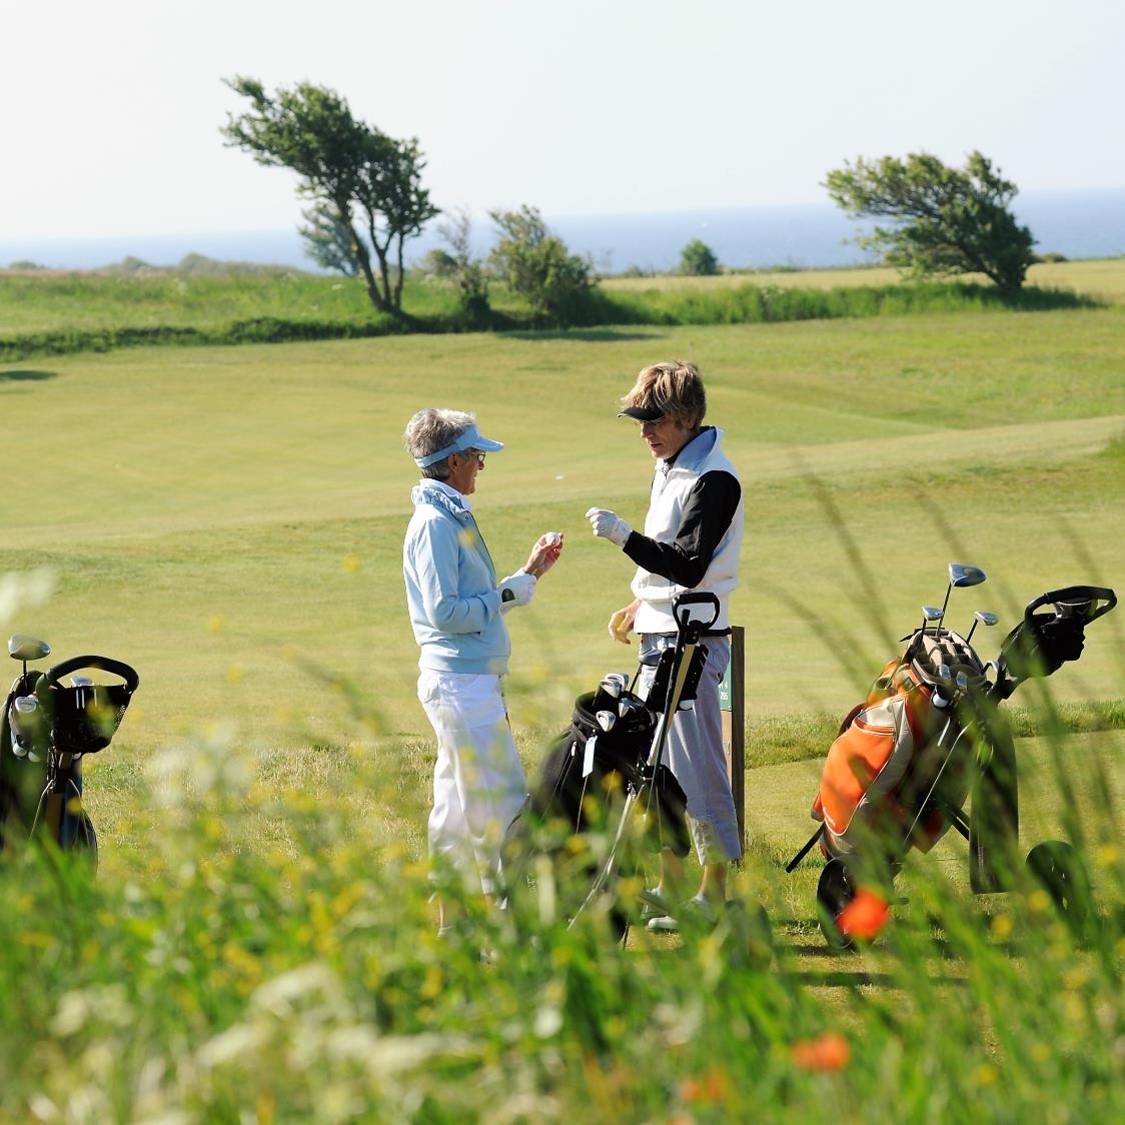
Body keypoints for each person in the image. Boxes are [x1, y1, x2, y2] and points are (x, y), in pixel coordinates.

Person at [585, 361, 743, 932]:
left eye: (653, 421)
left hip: (695, 640)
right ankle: (674, 887)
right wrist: (639, 604)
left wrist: (623, 537)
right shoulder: (671, 465)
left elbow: (690, 565)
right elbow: (667, 567)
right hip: (663, 631)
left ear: (683, 418)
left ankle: (715, 893)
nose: (645, 432)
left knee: (699, 768)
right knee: (663, 769)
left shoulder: (715, 479)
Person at [403, 408, 563, 934]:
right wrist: (501, 595)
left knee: (453, 809)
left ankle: (452, 926)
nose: (480, 466)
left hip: (467, 680)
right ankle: (502, 926)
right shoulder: (435, 522)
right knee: (497, 803)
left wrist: (526, 575)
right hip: (460, 685)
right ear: (451, 462)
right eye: (475, 457)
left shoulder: (449, 513)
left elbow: (476, 603)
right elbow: (446, 612)